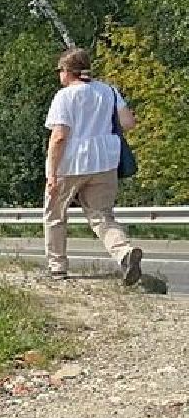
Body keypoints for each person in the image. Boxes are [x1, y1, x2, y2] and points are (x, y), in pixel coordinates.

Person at [44, 47, 144, 283]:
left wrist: (52, 172)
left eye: (60, 70)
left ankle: (57, 267)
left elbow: (59, 136)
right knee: (102, 215)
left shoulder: (65, 96)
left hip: (72, 161)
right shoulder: (109, 90)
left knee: (55, 214)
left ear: (68, 71)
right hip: (105, 161)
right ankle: (124, 252)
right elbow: (128, 123)